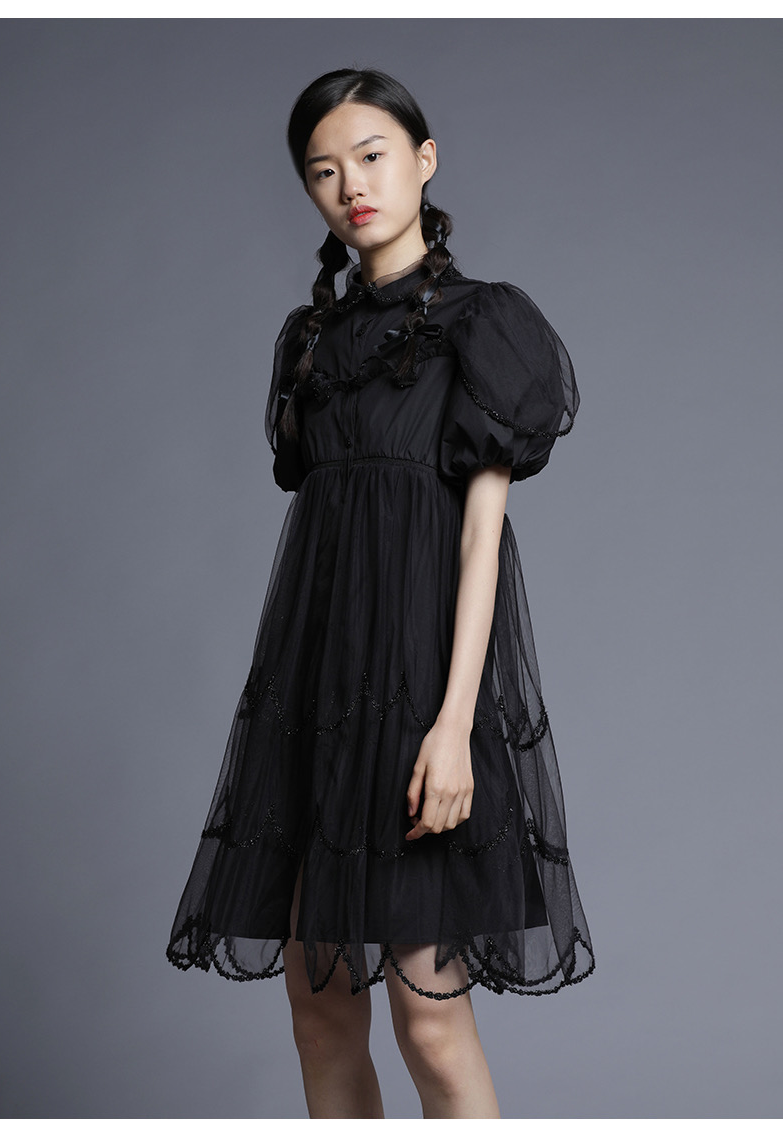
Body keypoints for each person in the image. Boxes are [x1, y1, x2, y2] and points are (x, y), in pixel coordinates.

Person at [167, 67, 595, 1119]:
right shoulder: (310, 342)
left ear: (423, 158)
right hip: (314, 698)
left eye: (370, 156)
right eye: (323, 171)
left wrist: (453, 727)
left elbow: (482, 542)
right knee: (317, 1012)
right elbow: (326, 534)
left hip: (420, 700)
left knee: (429, 1021)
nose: (351, 185)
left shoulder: (485, 324)